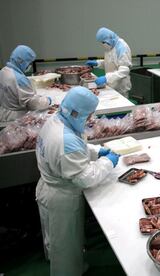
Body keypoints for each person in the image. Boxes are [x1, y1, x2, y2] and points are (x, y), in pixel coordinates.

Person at [35, 86, 120, 275]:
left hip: (48, 188)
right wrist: (107, 162)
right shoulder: (65, 141)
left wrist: (96, 151)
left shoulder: (56, 121)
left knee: (54, 240)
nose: (90, 119)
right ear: (76, 112)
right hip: (62, 199)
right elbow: (85, 178)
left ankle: (57, 262)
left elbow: (73, 147)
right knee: (66, 246)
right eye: (88, 115)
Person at [0, 45, 51, 122]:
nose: (29, 65)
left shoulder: (3, 71)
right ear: (22, 61)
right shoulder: (19, 79)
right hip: (14, 117)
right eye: (29, 63)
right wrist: (47, 101)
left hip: (3, 111)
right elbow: (32, 104)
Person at [86, 27, 132, 98]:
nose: (103, 44)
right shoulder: (110, 46)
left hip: (120, 88)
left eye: (103, 42)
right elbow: (111, 63)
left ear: (109, 38)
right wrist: (97, 63)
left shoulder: (122, 47)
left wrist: (106, 78)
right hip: (111, 85)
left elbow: (124, 71)